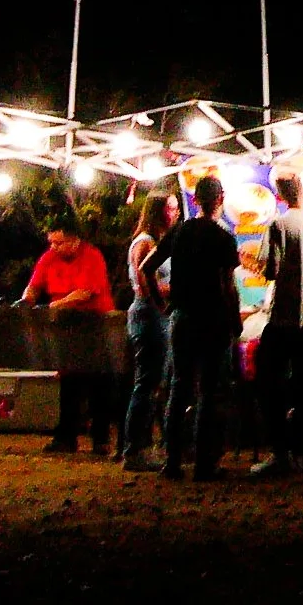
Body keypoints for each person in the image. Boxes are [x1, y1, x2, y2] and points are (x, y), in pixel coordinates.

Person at [140, 174, 241, 482]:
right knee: (210, 392)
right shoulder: (223, 237)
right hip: (213, 319)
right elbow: (228, 285)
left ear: (195, 200)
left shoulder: (180, 232)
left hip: (182, 318)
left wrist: (161, 303)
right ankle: (204, 463)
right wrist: (235, 318)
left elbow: (147, 268)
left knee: (179, 389)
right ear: (220, 199)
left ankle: (172, 461)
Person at [243, 172, 303, 477]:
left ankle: (280, 453)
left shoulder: (277, 225)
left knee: (268, 383)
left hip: (283, 316)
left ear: (280, 195)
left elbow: (270, 270)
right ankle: (299, 452)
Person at [22, 218, 116, 456]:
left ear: (75, 240)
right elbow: (34, 286)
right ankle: (66, 437)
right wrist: (25, 302)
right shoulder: (49, 257)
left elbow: (85, 292)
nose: (54, 247)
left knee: (98, 383)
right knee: (69, 382)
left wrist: (55, 305)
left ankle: (100, 439)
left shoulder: (92, 256)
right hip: (66, 326)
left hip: (94, 325)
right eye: (51, 242)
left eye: (60, 243)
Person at [121, 190, 179, 472]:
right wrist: (179, 289)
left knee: (155, 383)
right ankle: (134, 449)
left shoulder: (161, 242)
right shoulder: (144, 243)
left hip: (159, 315)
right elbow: (146, 282)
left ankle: (151, 444)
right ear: (158, 211)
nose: (176, 212)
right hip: (149, 314)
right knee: (146, 382)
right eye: (171, 208)